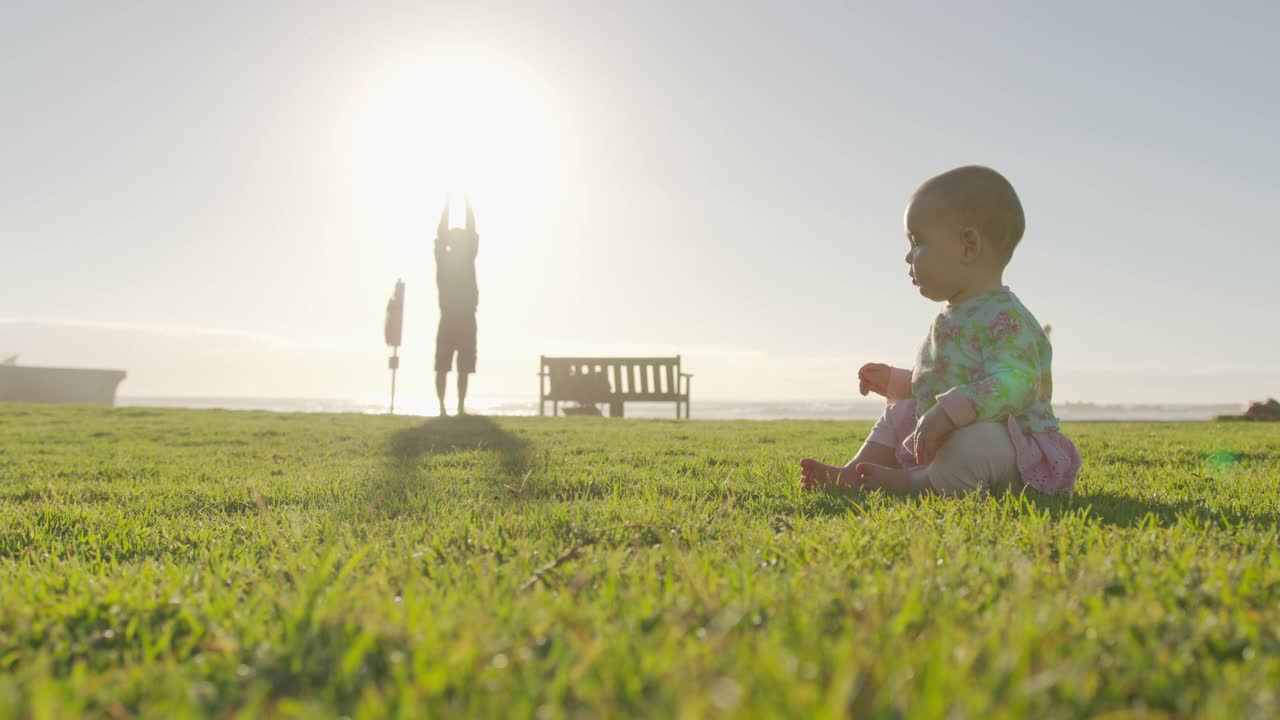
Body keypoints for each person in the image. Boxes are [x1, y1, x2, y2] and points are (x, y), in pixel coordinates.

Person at [800, 166, 1081, 495]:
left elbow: (1015, 386)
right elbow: (940, 380)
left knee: (980, 440)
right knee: (899, 411)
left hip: (1016, 456)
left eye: (917, 242)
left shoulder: (1006, 319)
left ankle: (917, 484)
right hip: (950, 437)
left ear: (968, 246)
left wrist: (949, 413)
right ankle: (853, 473)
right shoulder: (952, 318)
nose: (908, 256)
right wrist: (897, 381)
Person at [433, 198, 479, 417]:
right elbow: (444, 234)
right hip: (455, 318)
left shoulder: (453, 258)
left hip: (459, 318)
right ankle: (446, 407)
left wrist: (459, 205)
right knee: (447, 366)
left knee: (461, 367)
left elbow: (469, 232)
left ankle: (456, 407)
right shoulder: (445, 259)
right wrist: (449, 207)